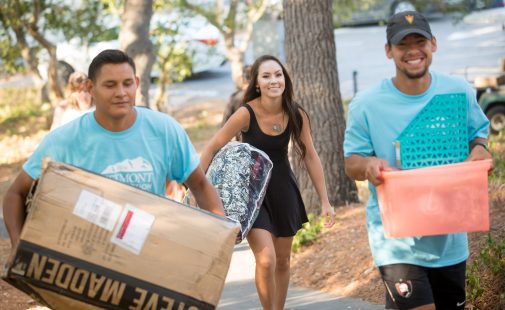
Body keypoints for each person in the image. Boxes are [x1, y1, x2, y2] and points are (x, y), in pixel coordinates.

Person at [343, 11, 492, 310]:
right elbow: (352, 162)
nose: (413, 50)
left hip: (449, 239)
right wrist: (368, 165)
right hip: (396, 241)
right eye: (402, 44)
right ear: (389, 51)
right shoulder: (367, 104)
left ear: (433, 44)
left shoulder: (458, 91)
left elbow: (479, 136)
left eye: (420, 41)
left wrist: (479, 151)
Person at [3, 49, 225, 248]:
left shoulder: (164, 130)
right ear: (91, 88)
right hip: (86, 261)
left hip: (150, 258)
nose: (121, 92)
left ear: (136, 83)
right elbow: (15, 193)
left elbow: (200, 185)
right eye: (110, 85)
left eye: (127, 83)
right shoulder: (64, 140)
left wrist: (220, 237)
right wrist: (18, 247)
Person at [201, 55, 335, 310]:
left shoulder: (296, 113)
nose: (273, 80)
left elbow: (310, 155)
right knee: (266, 260)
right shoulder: (245, 113)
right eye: (266, 76)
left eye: (278, 75)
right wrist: (198, 189)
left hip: (283, 191)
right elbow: (212, 147)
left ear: (284, 79)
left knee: (283, 261)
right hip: (251, 195)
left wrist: (325, 201)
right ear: (257, 84)